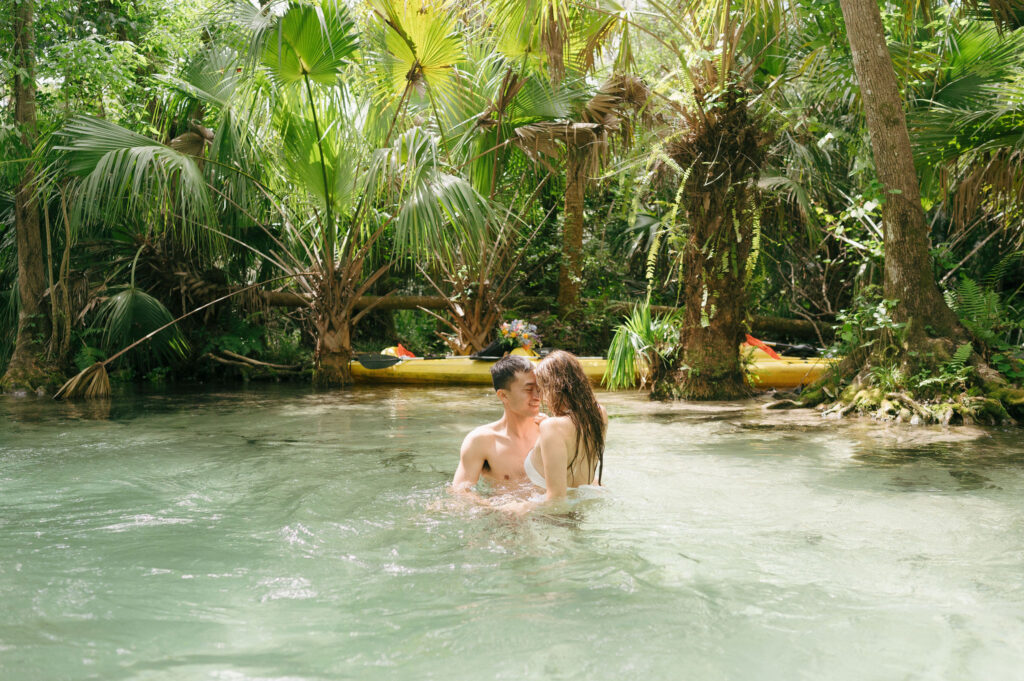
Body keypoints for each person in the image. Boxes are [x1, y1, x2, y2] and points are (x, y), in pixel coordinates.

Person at [450, 355, 541, 500]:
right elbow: (460, 492)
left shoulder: (549, 431)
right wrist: (502, 509)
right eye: (529, 389)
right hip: (506, 519)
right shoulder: (482, 441)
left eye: (540, 388)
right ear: (503, 395)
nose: (537, 396)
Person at [522, 350, 607, 502]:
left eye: (542, 389)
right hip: (583, 508)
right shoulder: (600, 414)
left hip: (549, 518)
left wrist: (514, 509)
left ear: (553, 388)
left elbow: (556, 500)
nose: (542, 397)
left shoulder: (552, 428)